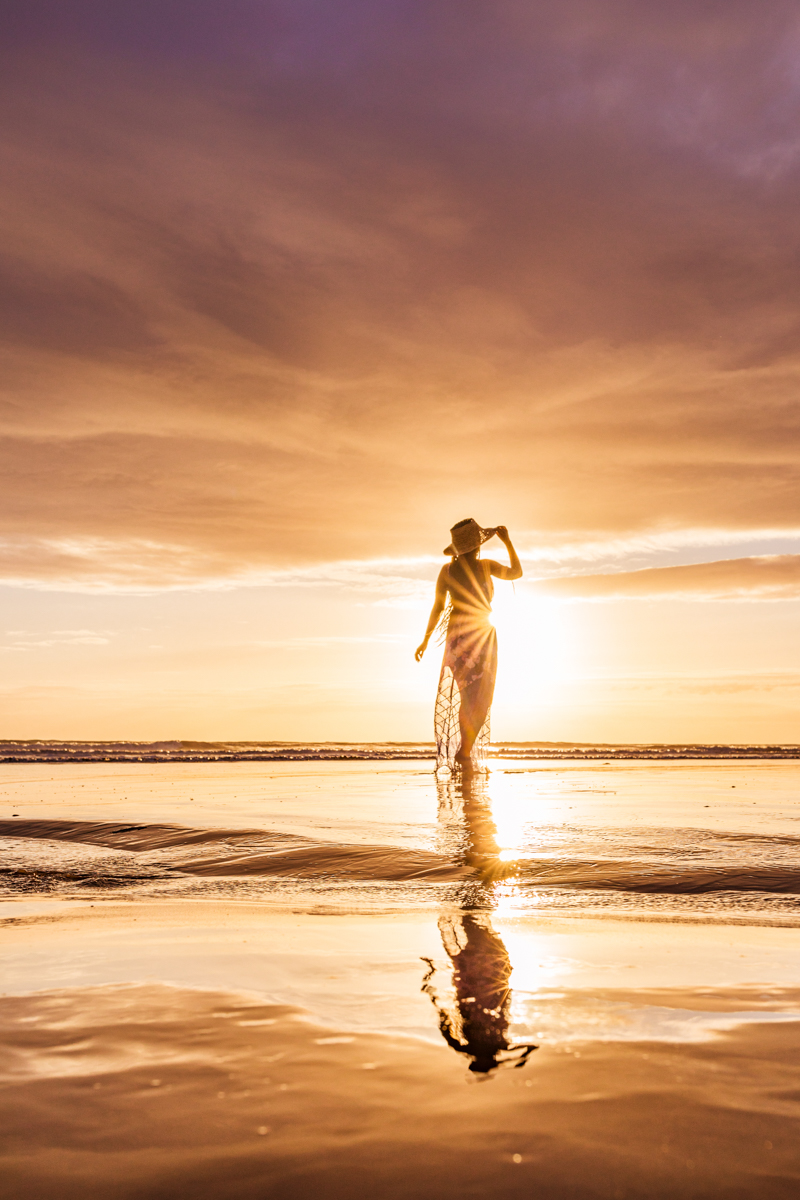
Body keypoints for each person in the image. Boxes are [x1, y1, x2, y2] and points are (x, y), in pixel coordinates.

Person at [415, 519, 522, 771]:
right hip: (480, 634)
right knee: (481, 698)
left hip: (462, 636)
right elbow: (516, 572)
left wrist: (427, 639)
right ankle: (464, 752)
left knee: (468, 696)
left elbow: (438, 608)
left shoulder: (448, 571)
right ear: (477, 546)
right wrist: (508, 543)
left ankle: (464, 752)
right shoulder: (485, 566)